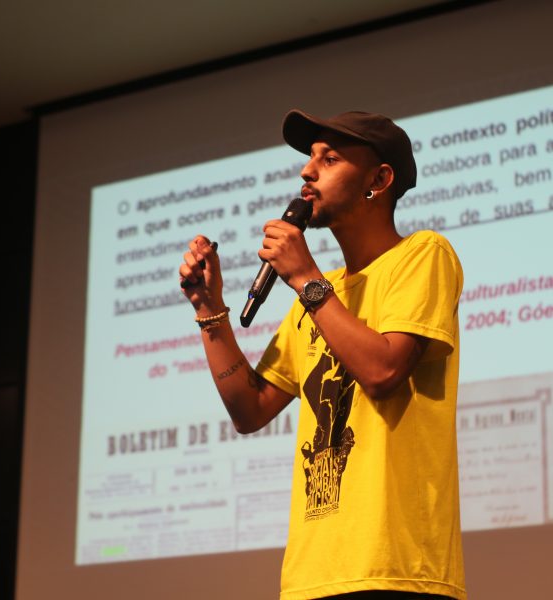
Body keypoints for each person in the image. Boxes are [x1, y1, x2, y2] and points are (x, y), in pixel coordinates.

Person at [179, 109, 466, 600]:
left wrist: (305, 277)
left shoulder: (422, 255)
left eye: (329, 159)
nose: (306, 172)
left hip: (396, 571)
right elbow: (251, 408)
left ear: (378, 180)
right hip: (311, 578)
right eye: (310, 158)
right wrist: (210, 310)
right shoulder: (318, 294)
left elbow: (383, 370)